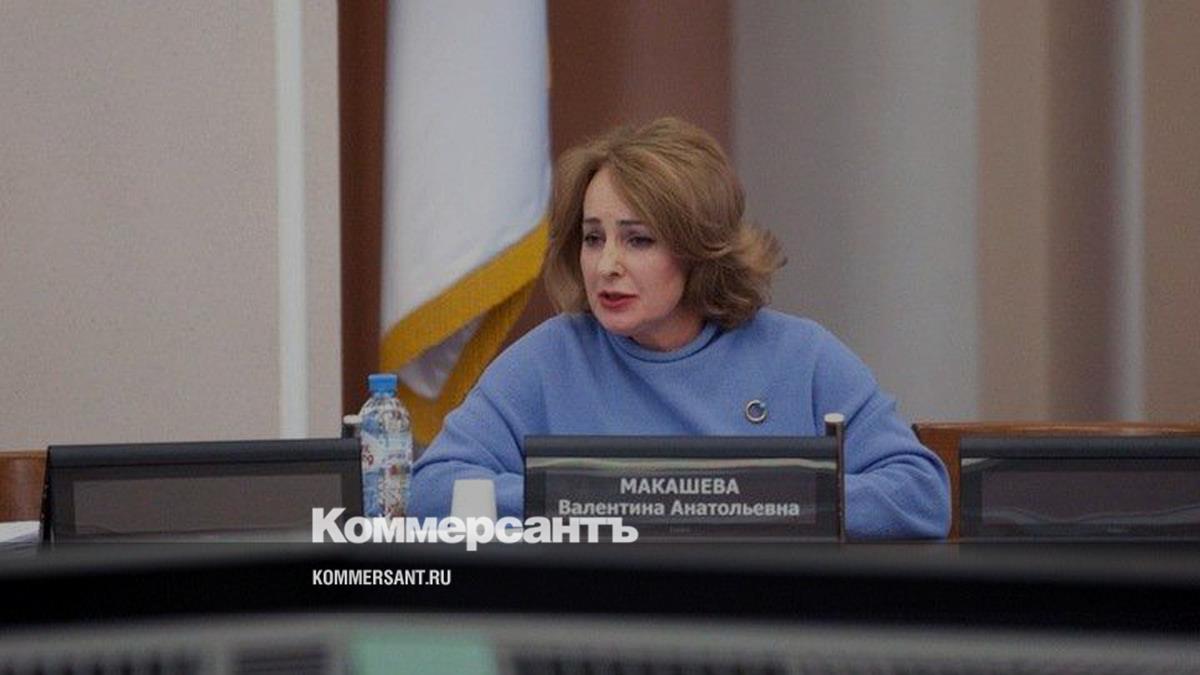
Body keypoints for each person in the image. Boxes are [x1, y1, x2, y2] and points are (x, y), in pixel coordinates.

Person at [408, 117, 950, 539]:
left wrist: (740, 499)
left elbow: (920, 494)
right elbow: (432, 491)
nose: (606, 265)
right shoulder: (550, 358)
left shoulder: (800, 355)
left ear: (699, 250)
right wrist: (600, 499)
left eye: (638, 240)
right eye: (594, 238)